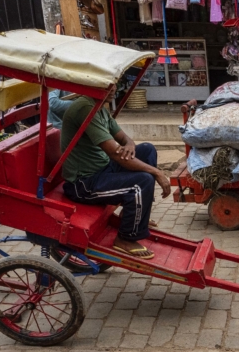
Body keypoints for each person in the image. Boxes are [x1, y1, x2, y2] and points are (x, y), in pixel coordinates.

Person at [60, 88, 170, 259]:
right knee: (142, 181)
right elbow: (115, 153)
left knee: (147, 149)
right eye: (107, 85)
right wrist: (157, 172)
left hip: (103, 169)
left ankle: (131, 215)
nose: (113, 90)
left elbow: (125, 139)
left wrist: (130, 145)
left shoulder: (100, 108)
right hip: (83, 183)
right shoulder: (85, 108)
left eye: (114, 85)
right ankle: (125, 239)